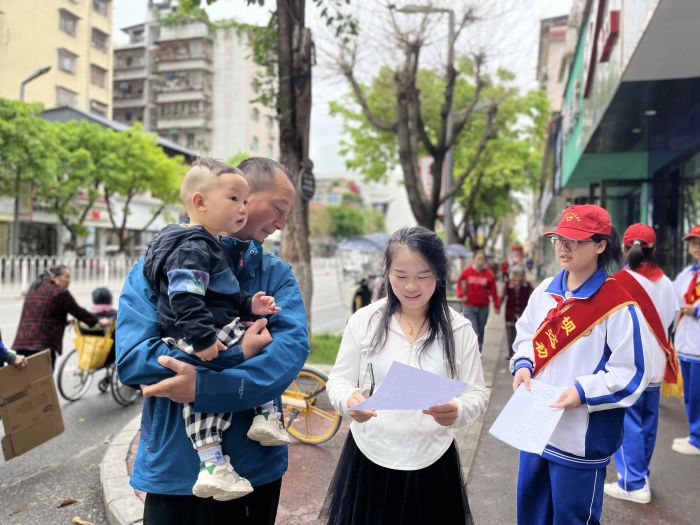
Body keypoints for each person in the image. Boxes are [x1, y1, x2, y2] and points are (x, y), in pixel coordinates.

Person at [116, 157, 309, 525]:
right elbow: (132, 359)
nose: (283, 223)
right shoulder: (156, 264)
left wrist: (204, 387)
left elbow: (288, 354)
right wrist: (233, 356)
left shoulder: (274, 274)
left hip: (254, 466)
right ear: (244, 197)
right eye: (279, 209)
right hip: (175, 468)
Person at [322, 226, 488, 525]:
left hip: (432, 459)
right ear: (386, 273)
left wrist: (458, 410)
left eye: (423, 276)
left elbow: (476, 392)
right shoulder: (365, 321)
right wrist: (349, 400)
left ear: (439, 275)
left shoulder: (459, 329)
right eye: (401, 275)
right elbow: (339, 379)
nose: (411, 286)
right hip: (371, 456)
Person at [511, 204, 655, 525]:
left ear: (600, 245)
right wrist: (522, 364)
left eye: (574, 240)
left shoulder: (617, 304)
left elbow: (631, 372)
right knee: (531, 512)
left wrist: (581, 392)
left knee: (573, 517)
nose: (563, 247)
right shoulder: (544, 291)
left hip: (579, 436)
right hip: (535, 426)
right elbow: (525, 336)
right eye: (559, 239)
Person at [602, 224, 680, 503]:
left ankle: (633, 483)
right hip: (658, 366)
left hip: (631, 367)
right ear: (654, 250)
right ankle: (640, 475)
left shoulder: (617, 282)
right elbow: (672, 320)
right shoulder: (668, 283)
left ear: (624, 249)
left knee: (628, 424)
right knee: (648, 423)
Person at [12, 265, 108, 369]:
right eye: (66, 276)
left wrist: (64, 321)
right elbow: (78, 311)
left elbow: (41, 314)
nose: (69, 280)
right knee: (43, 382)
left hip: (21, 344)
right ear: (54, 277)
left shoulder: (34, 288)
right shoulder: (60, 293)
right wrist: (98, 321)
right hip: (43, 346)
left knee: (26, 382)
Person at [670, 223, 700, 456]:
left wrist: (696, 310)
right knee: (690, 395)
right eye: (692, 243)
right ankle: (694, 435)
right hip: (686, 345)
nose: (696, 247)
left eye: (699, 242)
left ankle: (698, 438)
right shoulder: (687, 274)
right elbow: (673, 297)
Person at [456, 250, 501, 351]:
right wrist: (462, 295)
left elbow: (494, 291)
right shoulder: (467, 272)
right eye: (478, 258)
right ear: (474, 259)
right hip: (469, 307)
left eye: (482, 259)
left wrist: (497, 306)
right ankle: (472, 351)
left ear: (485, 260)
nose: (480, 261)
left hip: (483, 308)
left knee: (480, 331)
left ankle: (478, 349)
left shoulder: (489, 274)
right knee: (473, 331)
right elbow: (460, 285)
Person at [502, 266, 533, 360]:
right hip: (510, 312)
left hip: (522, 312)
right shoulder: (508, 284)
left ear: (522, 276)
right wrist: (498, 304)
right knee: (510, 333)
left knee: (519, 332)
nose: (516, 278)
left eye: (519, 275)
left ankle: (518, 352)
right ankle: (510, 352)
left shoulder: (527, 285)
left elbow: (534, 295)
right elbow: (503, 295)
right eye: (515, 275)